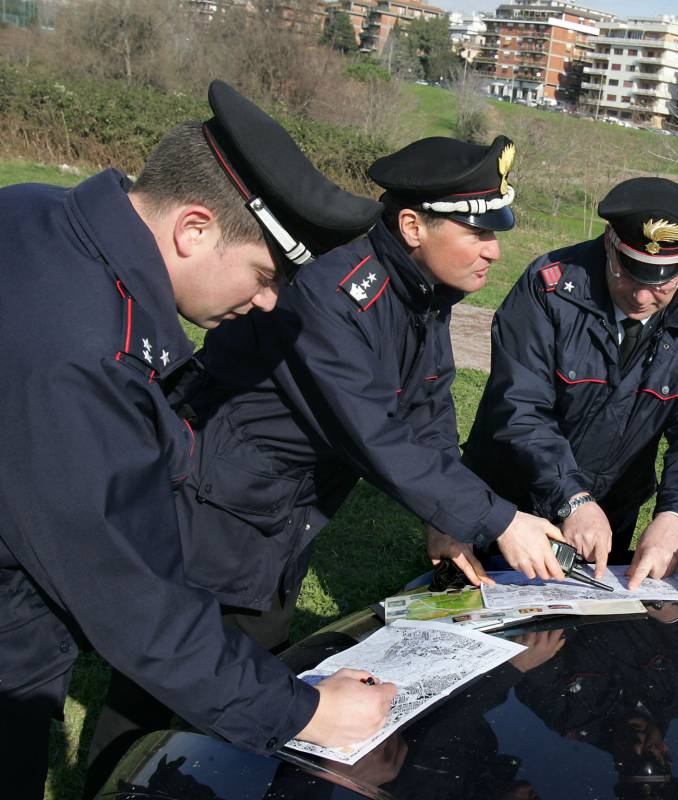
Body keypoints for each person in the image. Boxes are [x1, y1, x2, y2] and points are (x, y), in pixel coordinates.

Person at [84, 135, 567, 789]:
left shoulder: (420, 288)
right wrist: (499, 519)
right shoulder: (335, 290)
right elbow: (374, 432)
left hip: (280, 514)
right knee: (157, 678)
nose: (493, 250)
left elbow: (426, 406)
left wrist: (444, 514)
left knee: (252, 667)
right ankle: (113, 784)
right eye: (477, 232)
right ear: (412, 225)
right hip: (213, 505)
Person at [0, 80, 397, 800]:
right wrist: (304, 710)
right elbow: (130, 595)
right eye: (265, 273)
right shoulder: (90, 356)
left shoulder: (36, 210)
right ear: (193, 229)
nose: (269, 300)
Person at [462, 177, 678, 588]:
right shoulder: (549, 288)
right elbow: (520, 407)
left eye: (661, 281)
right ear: (609, 241)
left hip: (610, 513)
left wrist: (675, 517)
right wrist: (572, 497)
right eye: (629, 274)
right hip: (510, 500)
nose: (642, 297)